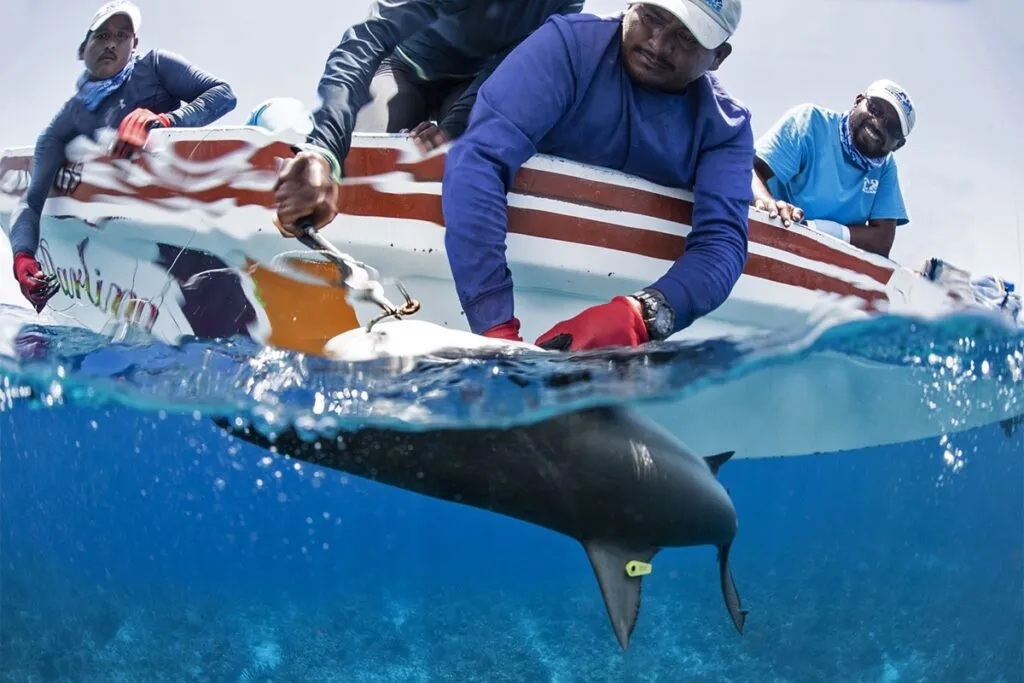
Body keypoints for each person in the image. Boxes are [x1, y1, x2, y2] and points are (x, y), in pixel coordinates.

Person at [438, 0, 752, 351]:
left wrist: (643, 315)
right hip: (487, 279)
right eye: (651, 18)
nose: (658, 44)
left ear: (718, 56)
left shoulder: (727, 129)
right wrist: (494, 327)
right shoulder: (567, 45)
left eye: (687, 37)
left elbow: (722, 243)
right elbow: (480, 158)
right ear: (631, 4)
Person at [271, 0, 584, 235]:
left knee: (464, 151)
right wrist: (323, 150)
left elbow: (512, 67)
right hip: (404, 69)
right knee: (366, 150)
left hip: (469, 87)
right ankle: (306, 203)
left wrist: (454, 127)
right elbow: (367, 40)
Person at [8, 0, 237, 312]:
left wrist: (166, 121)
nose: (112, 44)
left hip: (189, 216)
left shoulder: (155, 67)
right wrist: (22, 257)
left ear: (135, 45)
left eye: (122, 35)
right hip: (127, 243)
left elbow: (223, 94)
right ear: (82, 49)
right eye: (101, 36)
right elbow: (31, 201)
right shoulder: (68, 120)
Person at [750, 79, 916, 258]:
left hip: (816, 265)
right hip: (761, 240)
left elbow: (882, 240)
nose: (878, 124)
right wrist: (768, 204)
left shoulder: (885, 168)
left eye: (891, 127)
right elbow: (748, 170)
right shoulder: (809, 121)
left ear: (898, 145)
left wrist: (815, 229)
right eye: (875, 109)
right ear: (858, 101)